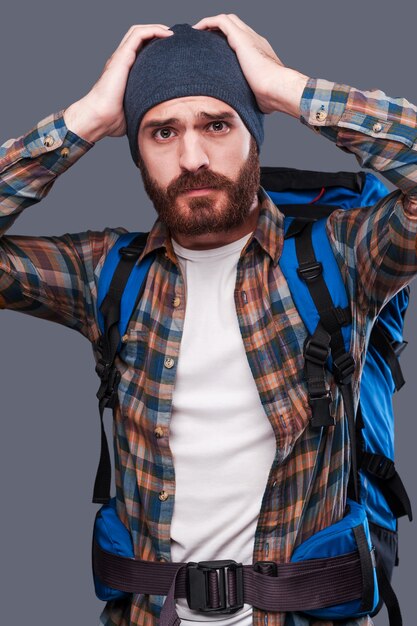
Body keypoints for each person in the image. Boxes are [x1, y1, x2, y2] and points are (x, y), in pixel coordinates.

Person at [1, 12, 416, 626]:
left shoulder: (341, 256)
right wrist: (83, 121)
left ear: (254, 131)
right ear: (136, 150)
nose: (192, 156)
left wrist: (289, 90)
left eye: (217, 124)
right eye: (162, 132)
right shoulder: (106, 276)